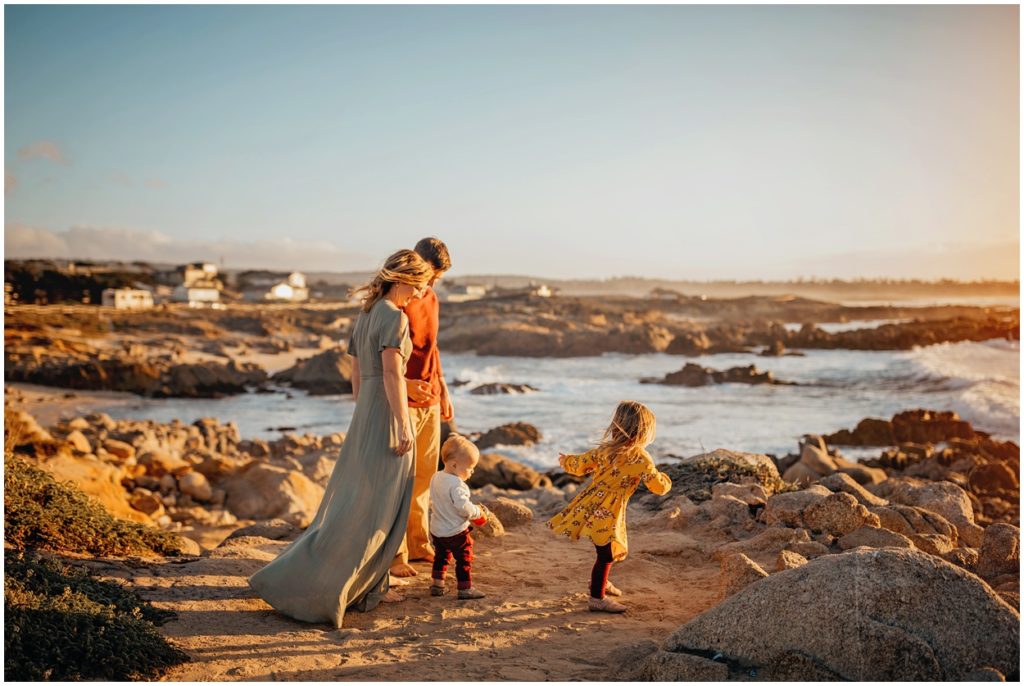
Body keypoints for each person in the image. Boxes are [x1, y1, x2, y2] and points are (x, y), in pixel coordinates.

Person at [247, 249, 433, 628]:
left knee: (359, 500)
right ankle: (355, 588)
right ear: (405, 280)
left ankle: (368, 585)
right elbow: (392, 376)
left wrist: (364, 409)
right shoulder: (394, 317)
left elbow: (357, 372)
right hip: (386, 416)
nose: (420, 294)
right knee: (381, 505)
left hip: (366, 413)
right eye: (420, 285)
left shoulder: (366, 314)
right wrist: (400, 422)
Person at [547, 401, 672, 613]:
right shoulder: (640, 457)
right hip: (608, 511)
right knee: (605, 554)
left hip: (591, 503)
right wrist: (665, 479)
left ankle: (601, 583)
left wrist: (566, 460)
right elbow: (657, 487)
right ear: (643, 432)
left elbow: (580, 464)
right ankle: (597, 598)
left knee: (607, 548)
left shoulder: (605, 450)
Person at [391, 236, 455, 578]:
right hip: (402, 400)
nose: (429, 284)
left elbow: (432, 346)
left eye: (436, 279)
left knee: (425, 476)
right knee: (398, 479)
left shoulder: (431, 297)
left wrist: (443, 385)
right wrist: (404, 386)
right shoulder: (399, 299)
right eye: (428, 275)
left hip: (429, 397)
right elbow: (382, 358)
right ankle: (395, 553)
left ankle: (418, 544)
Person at [428, 434, 488, 600]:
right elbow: (463, 508)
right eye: (469, 468)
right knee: (464, 557)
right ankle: (465, 588)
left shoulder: (436, 477)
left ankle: (437, 585)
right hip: (455, 531)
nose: (472, 471)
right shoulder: (457, 485)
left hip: (437, 530)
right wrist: (478, 512)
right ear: (455, 465)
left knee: (441, 556)